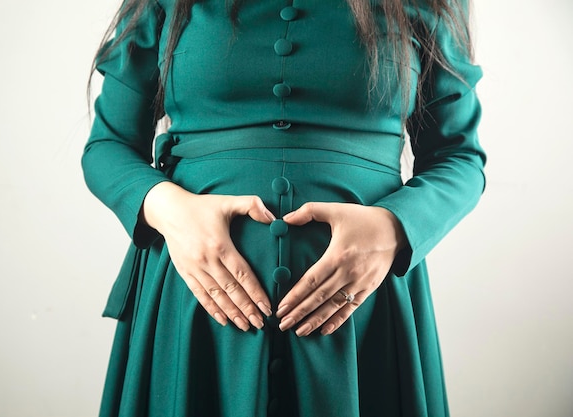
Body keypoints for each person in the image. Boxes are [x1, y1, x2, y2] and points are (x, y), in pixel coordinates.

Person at [83, 0, 485, 416]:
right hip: (195, 312)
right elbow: (107, 146)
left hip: (364, 314)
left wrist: (393, 228)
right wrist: (171, 210)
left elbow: (459, 157)